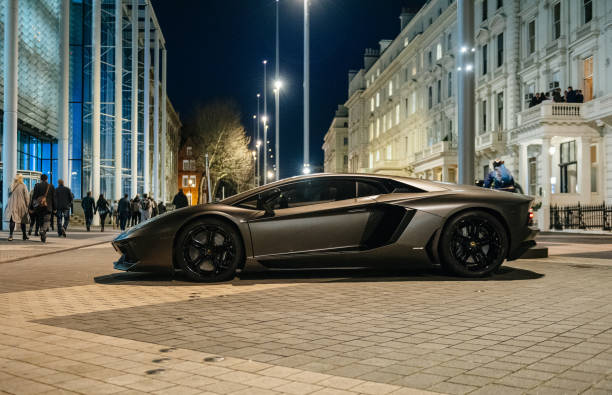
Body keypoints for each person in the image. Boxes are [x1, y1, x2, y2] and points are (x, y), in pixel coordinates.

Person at [3, 174, 30, 241]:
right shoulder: (23, 185)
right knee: (22, 221)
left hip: (12, 205)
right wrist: (27, 205)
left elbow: (8, 195)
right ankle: (24, 235)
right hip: (21, 205)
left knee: (12, 220)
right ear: (21, 178)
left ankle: (11, 235)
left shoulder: (11, 185)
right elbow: (27, 197)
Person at [31, 173, 55, 243]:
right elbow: (54, 198)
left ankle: (43, 236)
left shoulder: (37, 186)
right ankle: (42, 230)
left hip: (39, 207)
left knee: (41, 220)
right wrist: (55, 208)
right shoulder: (51, 186)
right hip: (48, 207)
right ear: (47, 179)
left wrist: (32, 207)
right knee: (47, 220)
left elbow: (34, 197)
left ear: (40, 179)